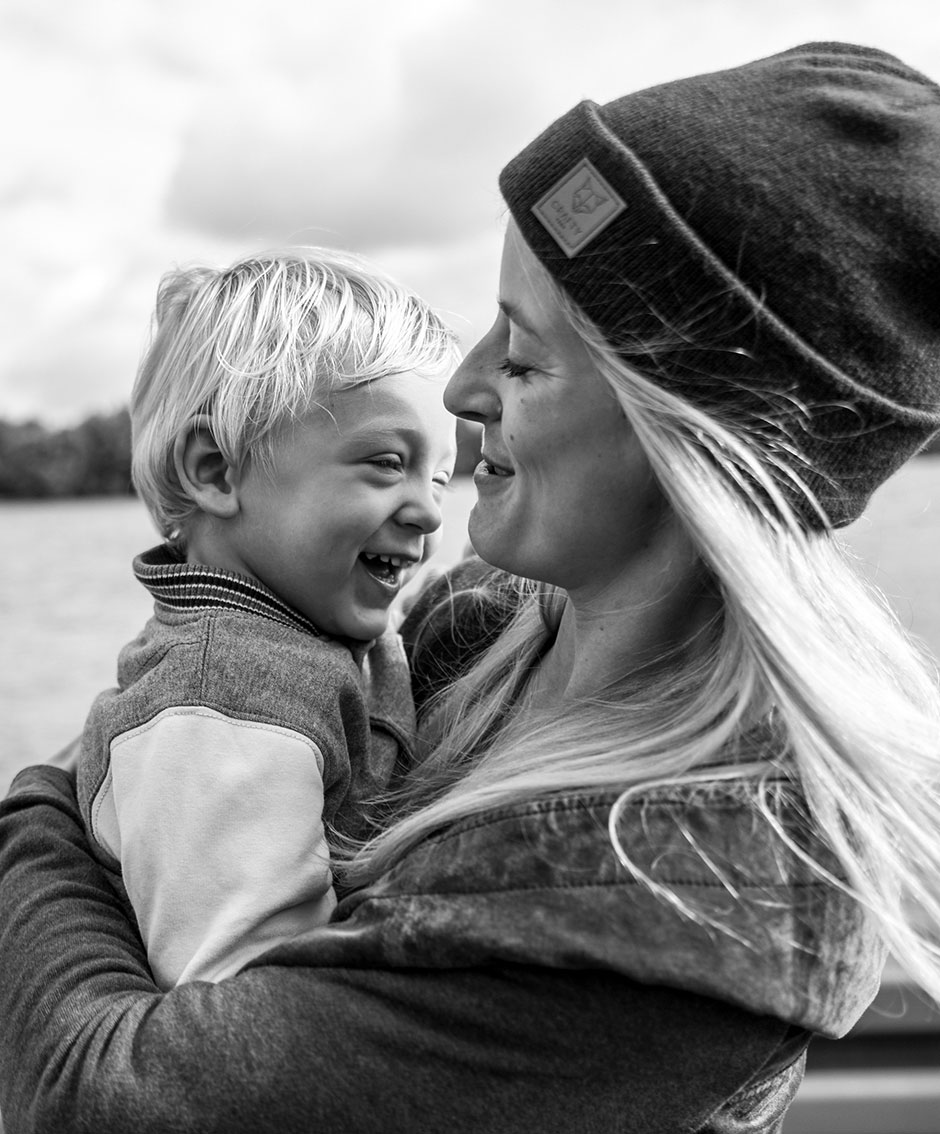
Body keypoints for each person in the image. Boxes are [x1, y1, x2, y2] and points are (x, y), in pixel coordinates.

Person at [2, 41, 940, 1134]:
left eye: (524, 358)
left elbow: (101, 1100)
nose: (460, 386)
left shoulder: (699, 892)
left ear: (686, 440)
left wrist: (40, 815)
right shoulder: (478, 622)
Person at [75, 248, 459, 987]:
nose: (430, 510)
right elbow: (246, 1001)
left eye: (439, 476)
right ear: (217, 470)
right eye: (387, 462)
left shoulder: (296, 631)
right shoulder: (224, 706)